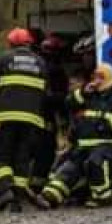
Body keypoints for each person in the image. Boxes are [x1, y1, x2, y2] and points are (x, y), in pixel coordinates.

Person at [41, 63, 112, 208]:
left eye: (101, 77)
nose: (97, 80)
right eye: (95, 76)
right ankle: (50, 196)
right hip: (84, 144)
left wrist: (109, 125)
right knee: (69, 167)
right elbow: (69, 104)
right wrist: (84, 92)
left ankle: (102, 196)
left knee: (95, 162)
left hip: (109, 142)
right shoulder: (89, 93)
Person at [0, 28, 50, 213]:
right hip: (31, 119)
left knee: (0, 155)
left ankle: (5, 191)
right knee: (22, 157)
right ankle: (17, 199)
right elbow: (45, 93)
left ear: (10, 44)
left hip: (4, 116)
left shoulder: (2, 59)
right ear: (29, 43)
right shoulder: (41, 62)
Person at [31, 34, 71, 195]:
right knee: (45, 150)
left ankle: (29, 185)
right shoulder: (56, 71)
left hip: (30, 116)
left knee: (28, 151)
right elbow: (58, 99)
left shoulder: (34, 66)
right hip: (44, 117)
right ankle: (38, 185)